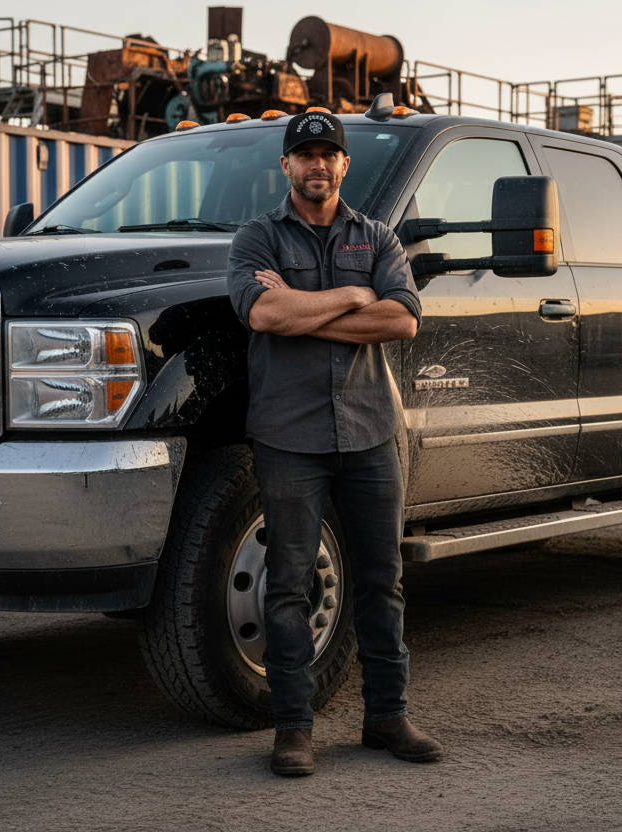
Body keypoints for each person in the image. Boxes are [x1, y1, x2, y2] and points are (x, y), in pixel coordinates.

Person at [227, 111, 442, 776]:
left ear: (345, 166)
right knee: (289, 584)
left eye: (328, 154)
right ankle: (293, 728)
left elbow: (402, 319)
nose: (317, 165)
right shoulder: (256, 238)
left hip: (370, 430)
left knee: (383, 580)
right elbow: (262, 312)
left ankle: (387, 717)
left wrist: (306, 310)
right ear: (286, 167)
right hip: (289, 436)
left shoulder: (376, 238)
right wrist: (353, 299)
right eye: (304, 155)